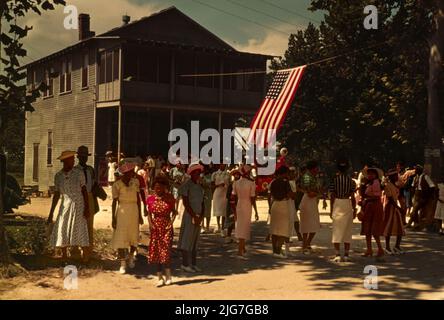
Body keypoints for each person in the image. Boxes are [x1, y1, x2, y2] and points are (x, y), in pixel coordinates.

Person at [47, 151, 90, 263]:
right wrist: (51, 213)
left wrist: (87, 208)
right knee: (62, 226)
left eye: (73, 159)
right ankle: (64, 254)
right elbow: (57, 194)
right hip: (65, 204)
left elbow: (84, 191)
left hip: (78, 203)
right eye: (71, 159)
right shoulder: (58, 176)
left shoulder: (78, 173)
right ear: (64, 161)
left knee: (80, 227)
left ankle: (85, 255)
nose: (73, 160)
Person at [111, 162, 144, 274]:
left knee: (133, 235)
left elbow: (138, 200)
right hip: (122, 212)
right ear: (124, 173)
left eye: (132, 172)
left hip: (133, 211)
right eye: (129, 172)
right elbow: (114, 202)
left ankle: (130, 257)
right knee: (121, 236)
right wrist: (113, 218)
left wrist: (140, 214)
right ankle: (122, 264)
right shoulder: (117, 184)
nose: (132, 174)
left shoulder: (136, 182)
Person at [146, 176, 177, 287]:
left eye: (160, 187)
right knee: (157, 252)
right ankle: (160, 278)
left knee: (166, 251)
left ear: (164, 187)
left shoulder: (169, 198)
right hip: (156, 227)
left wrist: (170, 223)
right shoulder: (150, 199)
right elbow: (149, 214)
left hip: (166, 227)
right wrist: (150, 224)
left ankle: (168, 276)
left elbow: (174, 212)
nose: (158, 189)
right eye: (156, 187)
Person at [177, 163, 205, 273]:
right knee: (186, 240)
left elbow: (202, 202)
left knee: (195, 240)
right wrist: (194, 215)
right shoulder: (186, 185)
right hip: (189, 216)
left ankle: (193, 264)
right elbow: (186, 202)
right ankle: (185, 264)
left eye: (199, 173)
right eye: (195, 173)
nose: (197, 175)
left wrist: (201, 215)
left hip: (198, 216)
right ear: (191, 174)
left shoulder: (199, 186)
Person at [329, 160, 357, 262]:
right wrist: (354, 209)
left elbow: (332, 195)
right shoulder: (351, 181)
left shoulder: (334, 180)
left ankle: (337, 254)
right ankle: (346, 254)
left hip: (338, 203)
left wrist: (331, 208)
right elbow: (353, 196)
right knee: (347, 229)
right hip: (347, 203)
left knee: (337, 228)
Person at [74, 146, 99, 258]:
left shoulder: (90, 170)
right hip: (78, 198)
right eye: (81, 156)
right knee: (77, 224)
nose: (83, 158)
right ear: (78, 157)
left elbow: (94, 184)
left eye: (85, 156)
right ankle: (75, 250)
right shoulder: (74, 170)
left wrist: (94, 193)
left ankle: (87, 252)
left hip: (89, 197)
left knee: (89, 225)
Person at [269, 166, 295, 258]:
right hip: (284, 205)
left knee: (274, 229)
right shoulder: (285, 182)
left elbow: (270, 195)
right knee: (283, 230)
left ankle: (274, 251)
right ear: (284, 173)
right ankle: (278, 250)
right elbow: (291, 194)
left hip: (275, 204)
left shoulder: (273, 182)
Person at [232, 164, 256, 258]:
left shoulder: (236, 183)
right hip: (247, 204)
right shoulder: (251, 183)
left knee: (240, 224)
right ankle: (239, 251)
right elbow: (253, 198)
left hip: (239, 204)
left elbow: (233, 197)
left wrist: (234, 210)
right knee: (244, 226)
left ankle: (243, 248)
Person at [360, 168, 385, 259]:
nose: (370, 175)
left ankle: (379, 249)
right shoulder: (369, 183)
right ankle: (369, 249)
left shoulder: (376, 183)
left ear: (376, 175)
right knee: (368, 230)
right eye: (369, 173)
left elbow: (376, 196)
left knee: (374, 230)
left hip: (374, 207)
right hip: (369, 207)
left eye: (372, 174)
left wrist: (366, 200)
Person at [299, 161, 321, 255]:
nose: (317, 170)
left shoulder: (312, 176)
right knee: (307, 222)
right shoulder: (307, 176)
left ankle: (307, 243)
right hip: (308, 200)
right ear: (313, 168)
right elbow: (309, 191)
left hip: (312, 201)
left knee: (314, 223)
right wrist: (315, 193)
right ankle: (305, 244)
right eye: (316, 168)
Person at [383, 169, 406, 255]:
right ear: (391, 177)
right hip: (390, 207)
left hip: (395, 207)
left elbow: (398, 197)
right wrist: (399, 208)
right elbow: (391, 200)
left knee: (400, 227)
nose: (397, 177)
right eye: (395, 176)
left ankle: (397, 245)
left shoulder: (396, 186)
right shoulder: (387, 186)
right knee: (388, 227)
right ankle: (387, 247)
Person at [212, 164, 230, 234]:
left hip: (225, 193)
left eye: (224, 164)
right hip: (217, 193)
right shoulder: (215, 174)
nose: (223, 165)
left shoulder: (228, 174)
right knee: (218, 210)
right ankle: (218, 225)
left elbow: (230, 183)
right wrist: (219, 185)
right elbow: (212, 185)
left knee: (224, 211)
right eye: (221, 164)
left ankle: (223, 227)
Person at [224, 167, 241, 244]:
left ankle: (237, 237)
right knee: (230, 221)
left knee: (238, 221)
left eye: (238, 174)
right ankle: (228, 236)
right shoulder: (231, 185)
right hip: (231, 205)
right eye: (235, 174)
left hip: (239, 204)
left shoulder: (241, 184)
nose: (237, 176)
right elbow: (227, 195)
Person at [201, 165, 213, 233]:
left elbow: (211, 185)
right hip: (202, 195)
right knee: (202, 211)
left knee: (208, 211)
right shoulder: (201, 176)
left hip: (208, 195)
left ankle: (207, 226)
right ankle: (202, 226)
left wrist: (205, 184)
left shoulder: (211, 176)